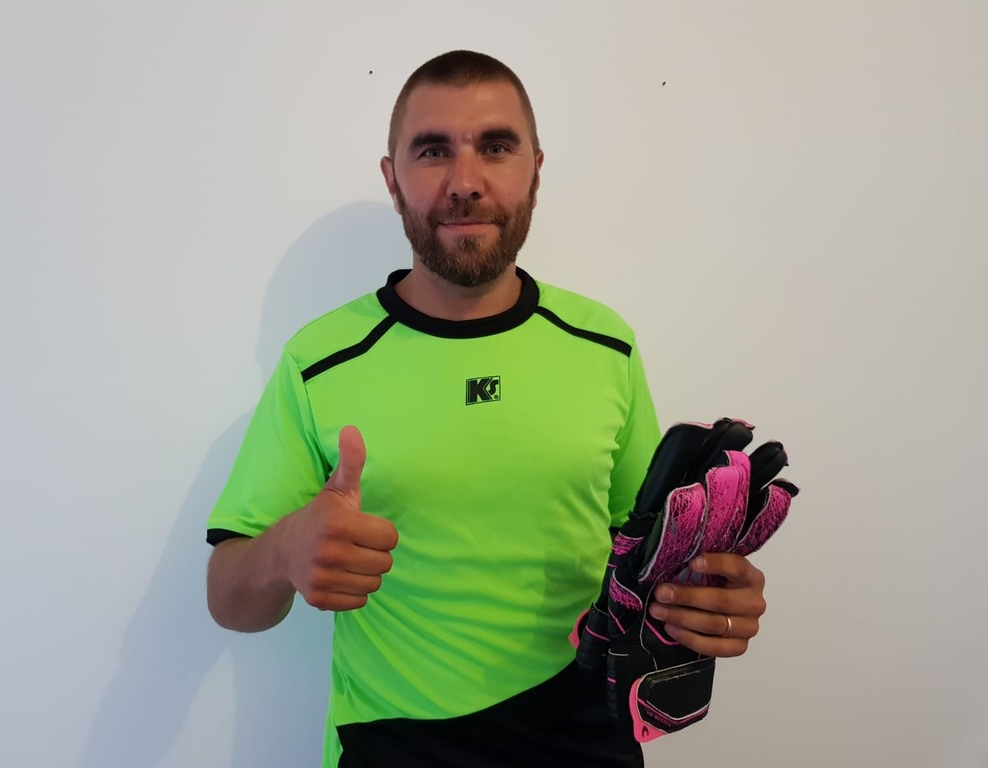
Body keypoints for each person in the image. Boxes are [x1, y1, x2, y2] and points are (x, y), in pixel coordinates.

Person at [205, 50, 768, 768]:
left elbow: (644, 558)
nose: (465, 182)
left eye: (496, 147)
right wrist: (284, 550)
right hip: (392, 746)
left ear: (535, 169)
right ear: (392, 178)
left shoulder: (606, 345)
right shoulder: (318, 361)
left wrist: (703, 596)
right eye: (433, 150)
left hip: (585, 739)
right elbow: (228, 599)